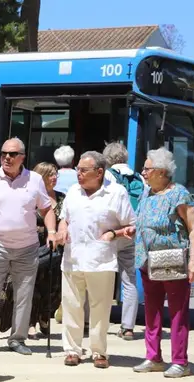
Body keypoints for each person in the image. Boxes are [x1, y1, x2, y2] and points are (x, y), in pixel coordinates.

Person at [0, 138, 57, 355]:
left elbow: (47, 209)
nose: (7, 157)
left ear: (22, 157)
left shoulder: (35, 180)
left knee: (24, 294)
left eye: (12, 154)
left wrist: (52, 232)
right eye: (4, 153)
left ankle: (18, 339)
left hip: (27, 247)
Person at [56, 152, 134, 368]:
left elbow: (132, 225)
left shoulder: (116, 193)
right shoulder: (73, 191)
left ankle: (99, 352)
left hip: (101, 260)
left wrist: (114, 234)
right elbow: (64, 218)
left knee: (100, 308)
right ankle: (72, 350)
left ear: (99, 172)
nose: (78, 174)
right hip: (72, 258)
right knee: (71, 306)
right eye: (78, 169)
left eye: (83, 170)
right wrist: (61, 229)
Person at [131, 147, 194, 378]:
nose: (143, 172)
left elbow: (193, 228)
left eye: (146, 169)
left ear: (161, 172)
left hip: (173, 261)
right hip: (148, 260)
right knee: (151, 311)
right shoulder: (146, 193)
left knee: (178, 313)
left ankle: (180, 362)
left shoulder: (179, 194)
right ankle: (153, 357)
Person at [103, 141, 144, 341]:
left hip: (111, 233)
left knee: (100, 276)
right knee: (129, 281)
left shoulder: (108, 175)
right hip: (131, 233)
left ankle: (90, 322)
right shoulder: (139, 178)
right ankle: (128, 327)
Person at [28, 162, 64, 340]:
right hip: (34, 247)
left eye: (56, 174)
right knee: (34, 287)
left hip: (56, 250)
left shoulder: (62, 198)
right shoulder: (32, 196)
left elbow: (67, 219)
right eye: (50, 174)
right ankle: (31, 324)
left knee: (54, 287)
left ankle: (45, 316)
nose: (54, 178)